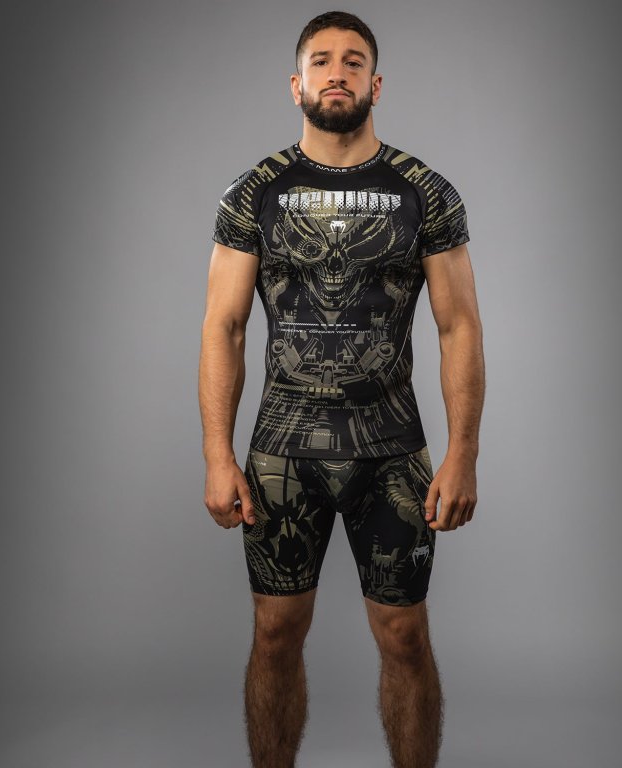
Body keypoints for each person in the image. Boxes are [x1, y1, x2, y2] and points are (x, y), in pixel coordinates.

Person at [198, 10, 485, 768]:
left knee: (405, 636)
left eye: (353, 62)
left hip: (390, 452)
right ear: (295, 84)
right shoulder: (253, 192)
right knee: (275, 632)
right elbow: (224, 327)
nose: (336, 73)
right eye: (320, 61)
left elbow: (459, 327)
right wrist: (217, 456)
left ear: (375, 85)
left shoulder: (425, 191)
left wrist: (463, 455)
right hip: (282, 455)